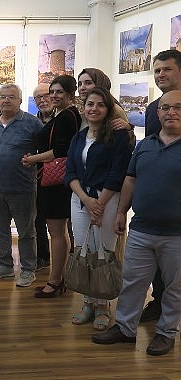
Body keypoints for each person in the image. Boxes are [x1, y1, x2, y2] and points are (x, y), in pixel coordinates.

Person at [92, 90, 181, 356]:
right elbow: (130, 179)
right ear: (158, 113)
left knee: (175, 289)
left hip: (177, 234)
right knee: (132, 282)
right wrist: (121, 212)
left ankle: (166, 333)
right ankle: (125, 329)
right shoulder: (145, 145)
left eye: (177, 107)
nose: (171, 112)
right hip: (141, 229)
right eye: (165, 108)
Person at [64, 87, 132, 329]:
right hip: (80, 200)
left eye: (100, 105)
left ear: (108, 109)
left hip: (109, 200)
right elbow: (70, 172)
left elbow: (117, 173)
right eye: (90, 104)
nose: (94, 109)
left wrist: (99, 204)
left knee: (103, 252)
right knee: (82, 251)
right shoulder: (78, 138)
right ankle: (87, 303)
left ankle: (103, 306)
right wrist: (86, 199)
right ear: (83, 107)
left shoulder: (118, 137)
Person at [132, 49, 181, 323]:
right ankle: (159, 300)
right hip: (156, 199)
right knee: (157, 263)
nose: (161, 75)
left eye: (167, 69)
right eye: (157, 70)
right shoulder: (154, 109)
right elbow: (152, 146)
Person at [23, 75, 80, 296]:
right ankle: (58, 278)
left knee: (56, 232)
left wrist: (33, 159)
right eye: (52, 92)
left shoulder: (66, 117)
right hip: (56, 181)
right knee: (60, 231)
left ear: (69, 94)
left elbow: (60, 151)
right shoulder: (63, 115)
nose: (54, 96)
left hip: (56, 183)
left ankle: (55, 281)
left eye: (58, 92)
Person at [0, 84, 43, 287]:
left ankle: (28, 269)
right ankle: (5, 266)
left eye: (11, 97)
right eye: (3, 97)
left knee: (26, 231)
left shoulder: (32, 123)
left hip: (23, 188)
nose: (6, 100)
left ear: (20, 100)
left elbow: (47, 151)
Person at [32, 84, 54, 271]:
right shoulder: (32, 122)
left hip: (61, 179)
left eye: (46, 95)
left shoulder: (66, 119)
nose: (42, 100)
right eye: (38, 97)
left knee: (64, 222)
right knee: (38, 218)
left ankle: (68, 259)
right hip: (38, 177)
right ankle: (43, 256)